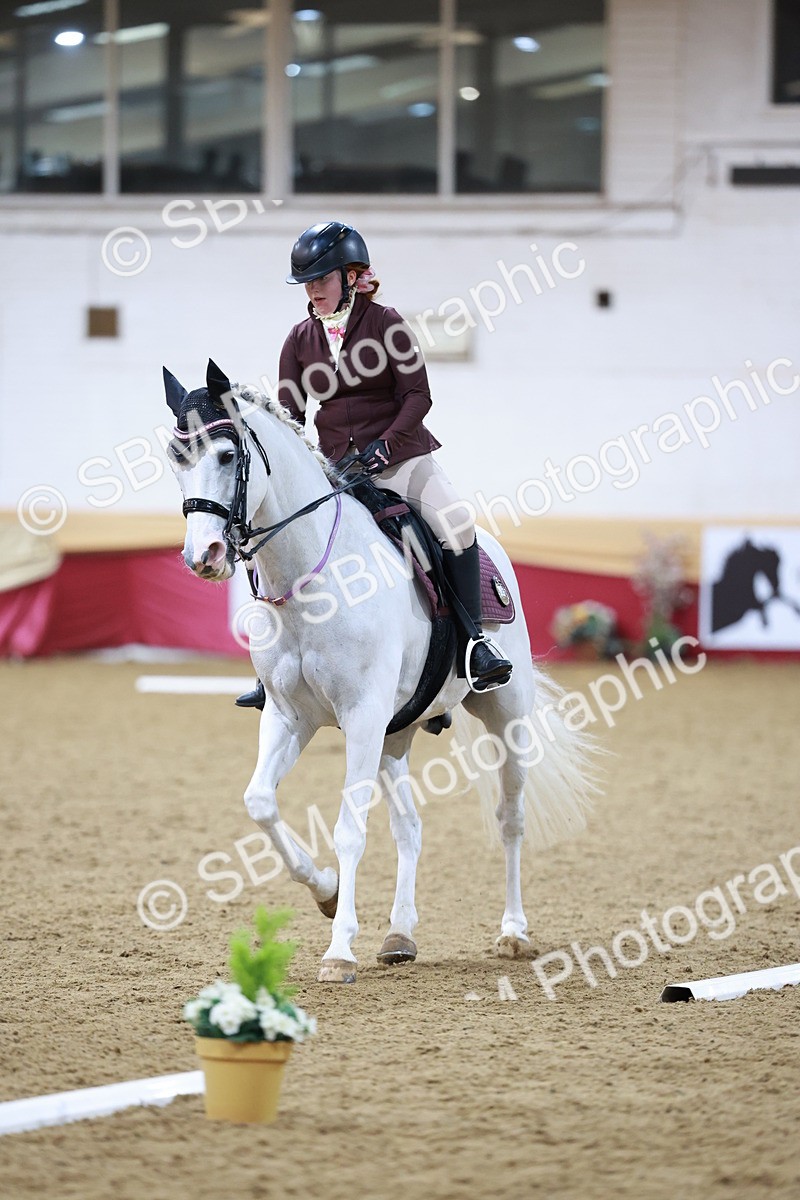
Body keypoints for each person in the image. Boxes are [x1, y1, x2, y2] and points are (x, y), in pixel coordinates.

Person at [236, 221, 512, 709]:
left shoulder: (386, 324)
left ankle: (474, 644)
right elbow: (289, 417)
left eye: (321, 279)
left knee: (457, 524)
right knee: (280, 539)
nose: (312, 290)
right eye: (306, 283)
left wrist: (385, 446)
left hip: (400, 457)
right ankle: (274, 668)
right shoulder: (299, 340)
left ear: (352, 275)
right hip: (336, 469)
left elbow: (417, 396)